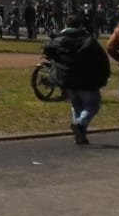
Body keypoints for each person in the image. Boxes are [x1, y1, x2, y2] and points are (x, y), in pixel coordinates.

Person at [43, 16, 110, 144]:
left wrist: (58, 61)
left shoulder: (58, 40)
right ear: (80, 25)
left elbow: (47, 49)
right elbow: (102, 59)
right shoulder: (89, 41)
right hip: (87, 79)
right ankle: (80, 123)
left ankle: (80, 135)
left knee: (76, 105)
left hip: (67, 79)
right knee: (92, 105)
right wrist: (104, 76)